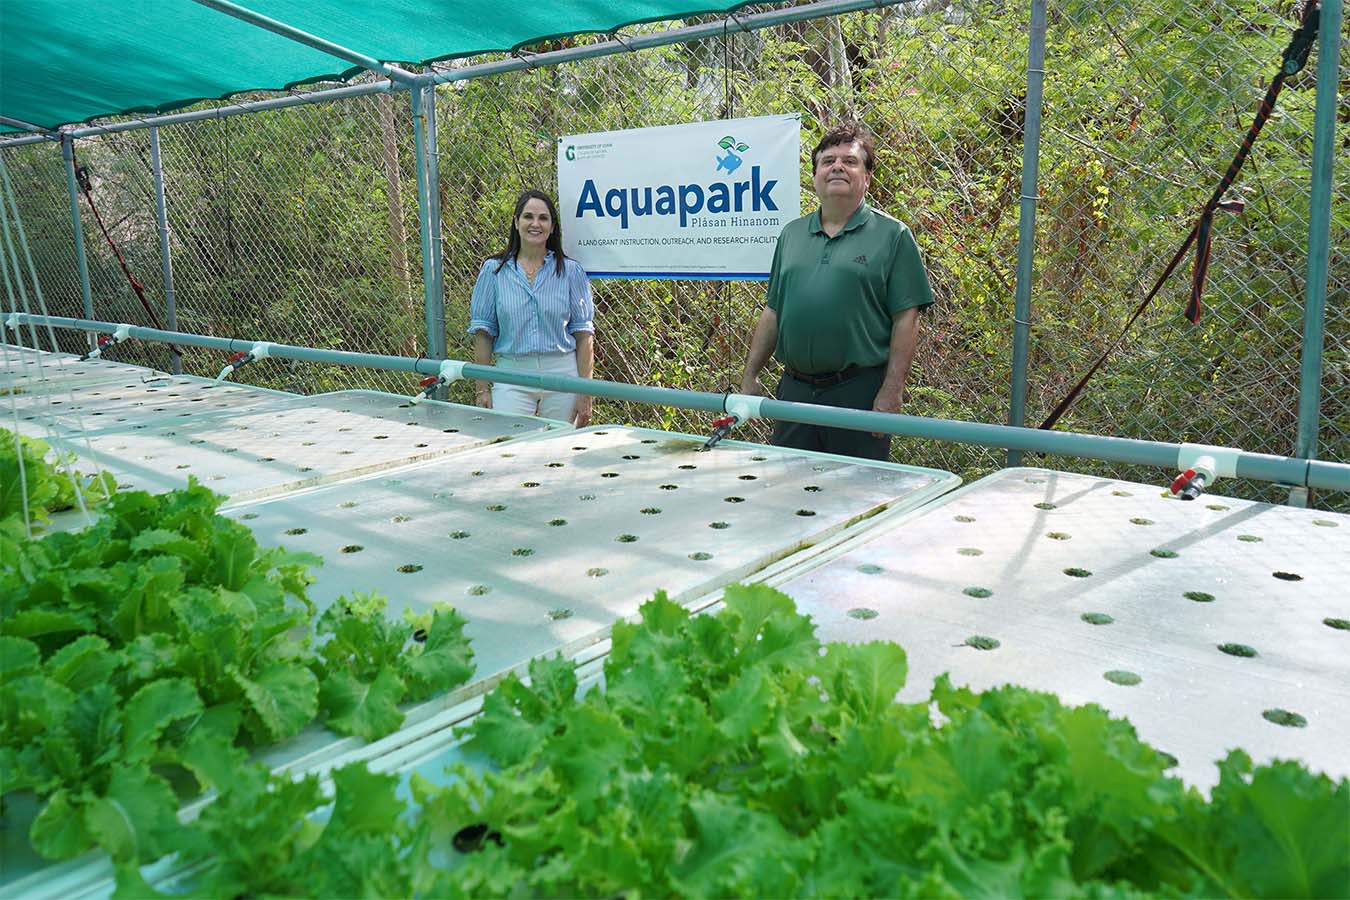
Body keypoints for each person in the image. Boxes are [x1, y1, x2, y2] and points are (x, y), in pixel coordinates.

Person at [738, 124, 933, 460]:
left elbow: (906, 319)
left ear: (867, 178)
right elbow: (773, 311)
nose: (838, 167)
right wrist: (750, 375)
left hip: (857, 392)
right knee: (788, 488)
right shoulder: (791, 235)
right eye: (828, 161)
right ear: (814, 178)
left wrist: (891, 390)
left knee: (855, 494)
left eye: (850, 161)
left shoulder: (892, 236)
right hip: (794, 391)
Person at [468, 189, 595, 427]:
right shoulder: (494, 271)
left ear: (553, 226)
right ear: (516, 222)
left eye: (543, 218)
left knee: (560, 448)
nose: (535, 224)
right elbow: (484, 334)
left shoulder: (571, 272)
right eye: (528, 217)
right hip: (511, 374)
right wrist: (482, 389)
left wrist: (584, 392)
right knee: (507, 445)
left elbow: (584, 335)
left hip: (562, 374)